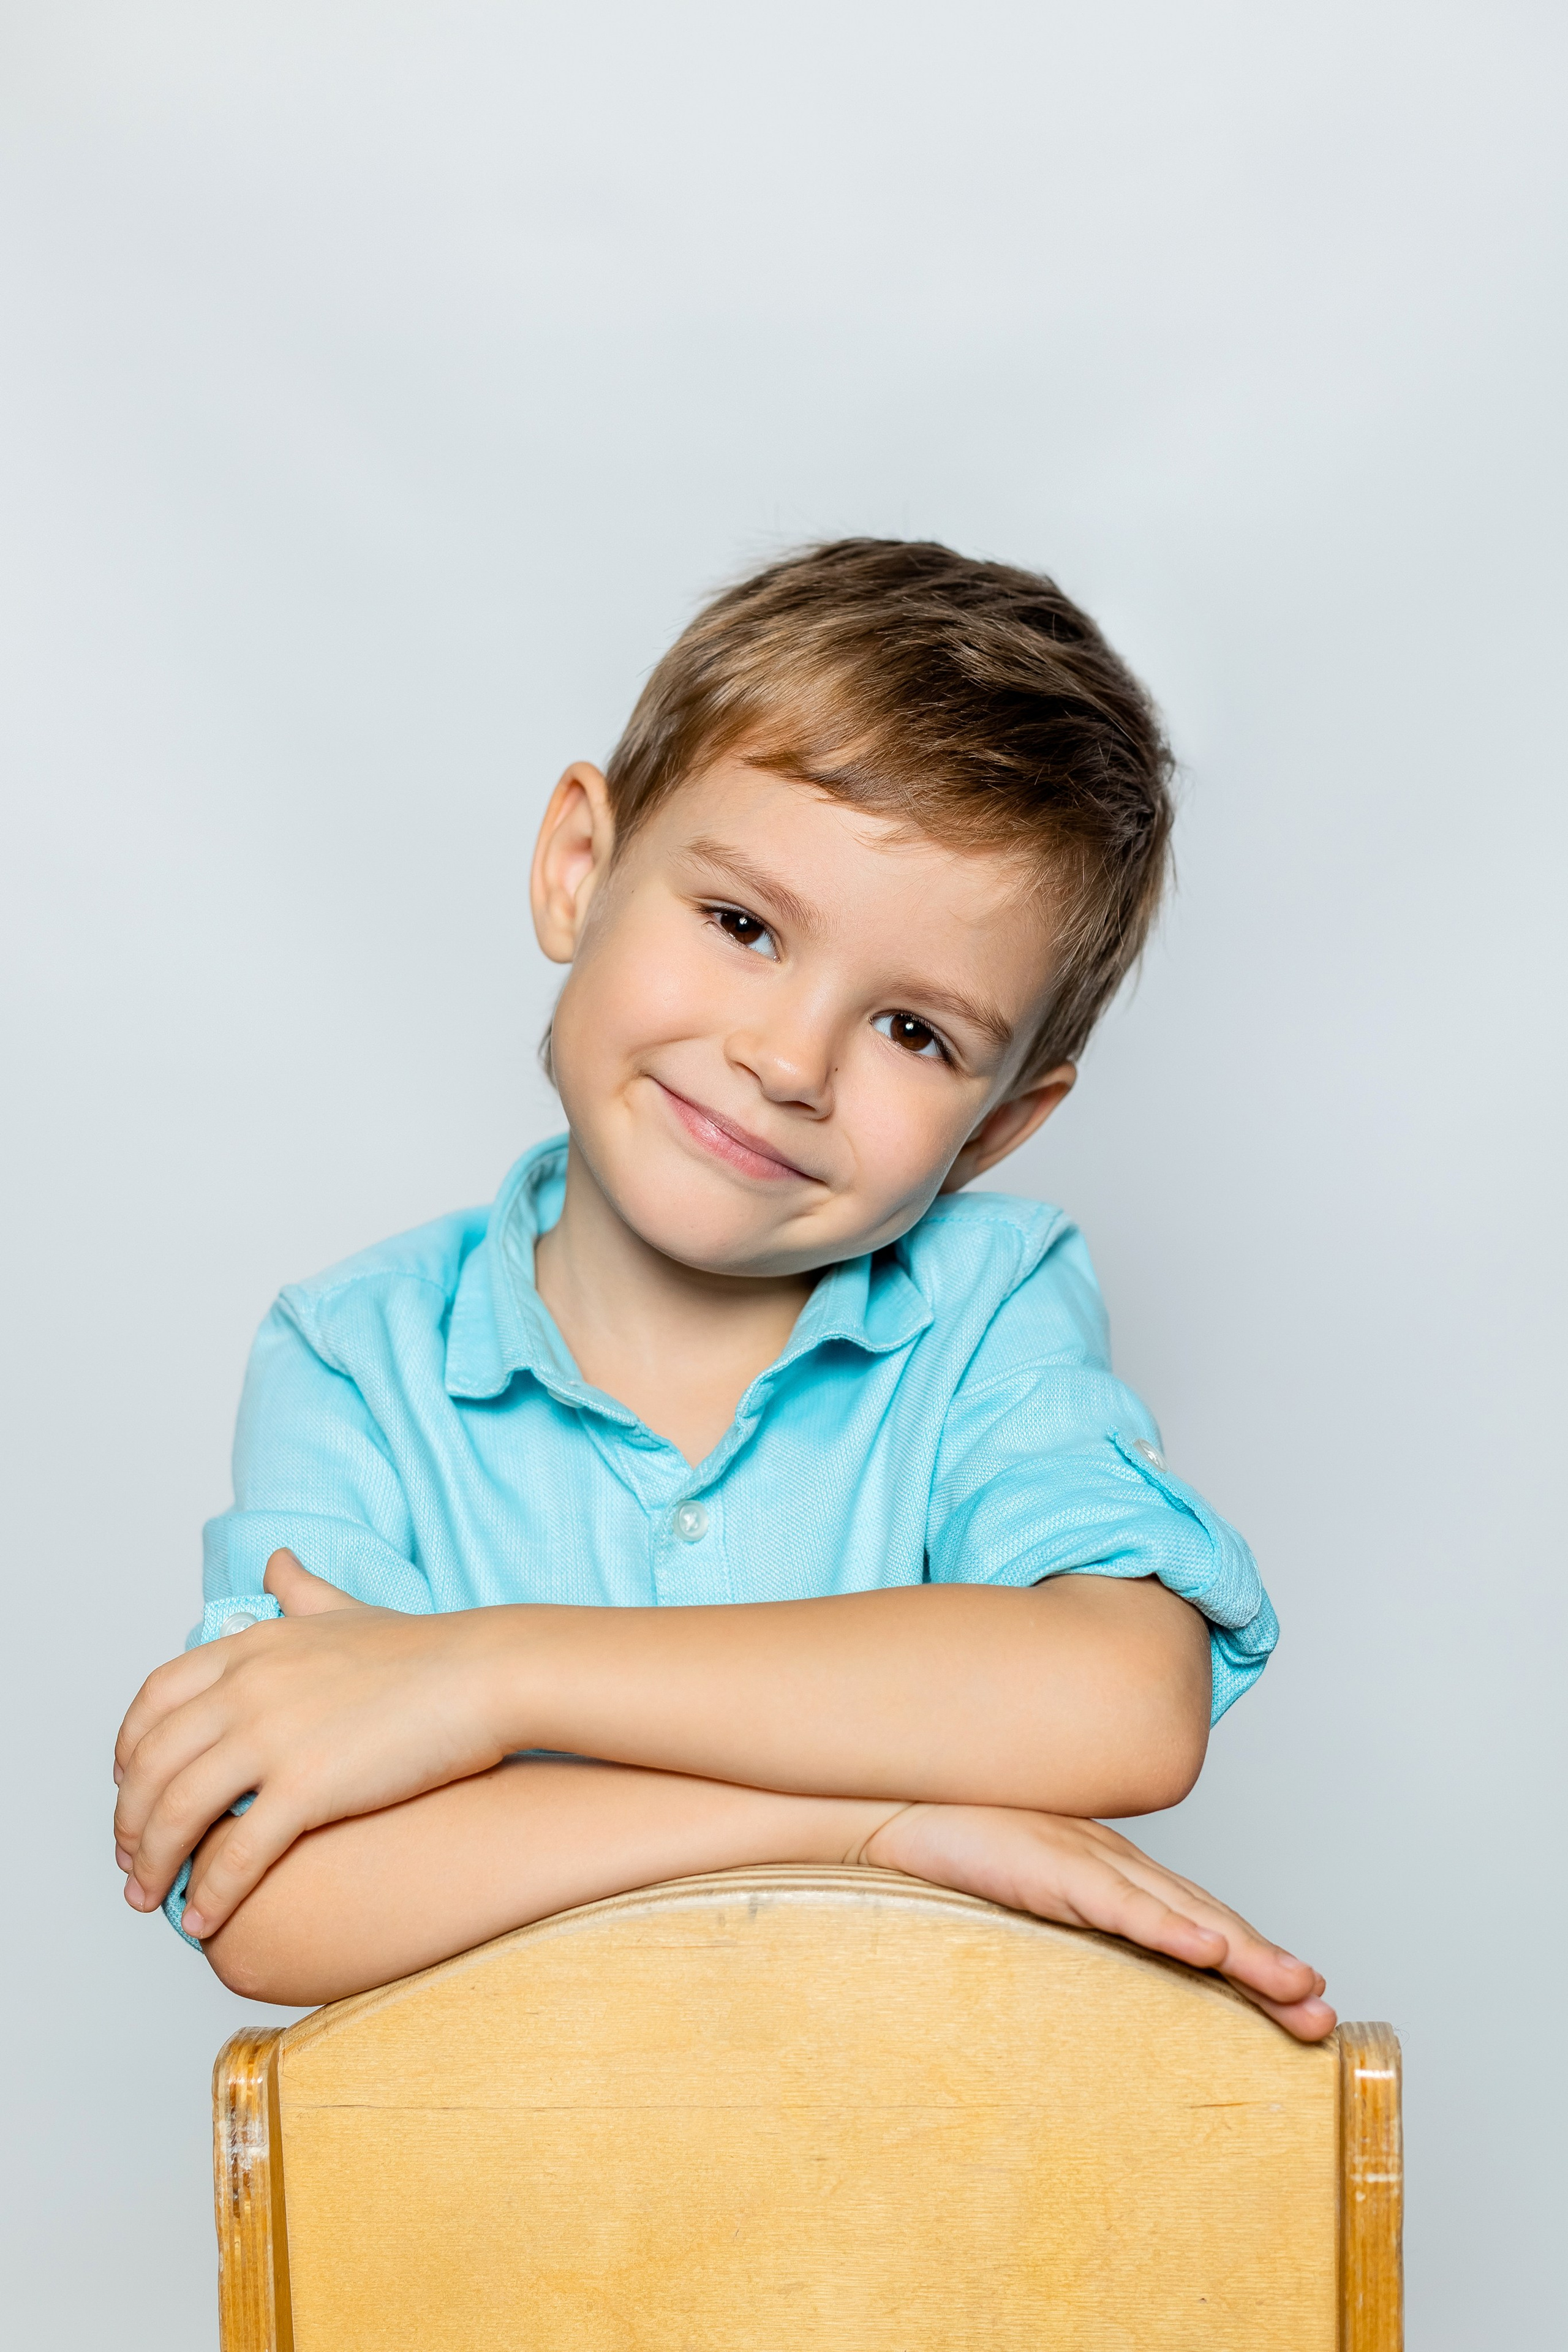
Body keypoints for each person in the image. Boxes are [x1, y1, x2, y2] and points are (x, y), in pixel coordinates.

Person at [111, 539, 1333, 2038]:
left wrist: (485, 1678)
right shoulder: (354, 1357)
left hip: (914, 2203)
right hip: (514, 2216)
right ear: (580, 869)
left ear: (999, 1127)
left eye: (912, 1031)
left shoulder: (990, 1298)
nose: (787, 1063)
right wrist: (859, 1831)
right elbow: (273, 1889)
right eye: (742, 925)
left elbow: (1122, 1703)